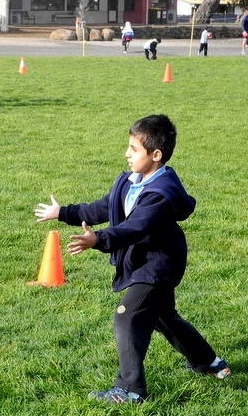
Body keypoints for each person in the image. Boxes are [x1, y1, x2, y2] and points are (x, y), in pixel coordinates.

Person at [34, 114, 230, 405]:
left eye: (133, 149)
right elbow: (103, 207)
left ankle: (130, 390)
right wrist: (64, 212)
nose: (127, 154)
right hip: (144, 262)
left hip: (159, 266)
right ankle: (211, 363)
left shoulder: (161, 194)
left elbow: (133, 227)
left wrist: (97, 240)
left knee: (127, 317)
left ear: (156, 155)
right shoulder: (129, 180)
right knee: (164, 318)